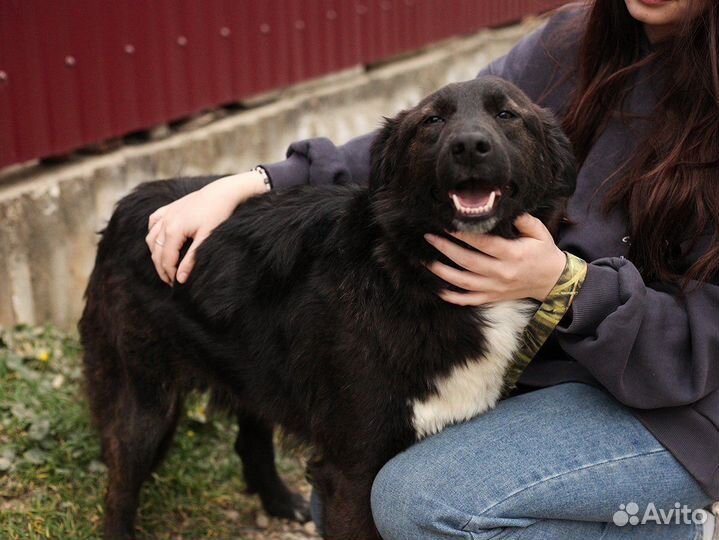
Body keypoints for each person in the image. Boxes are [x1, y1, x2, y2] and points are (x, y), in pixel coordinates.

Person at [145, 0, 719, 538]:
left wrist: (568, 286)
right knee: (349, 497)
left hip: (686, 408)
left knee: (416, 503)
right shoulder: (578, 38)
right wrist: (256, 181)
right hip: (577, 372)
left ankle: (659, 525)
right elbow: (423, 135)